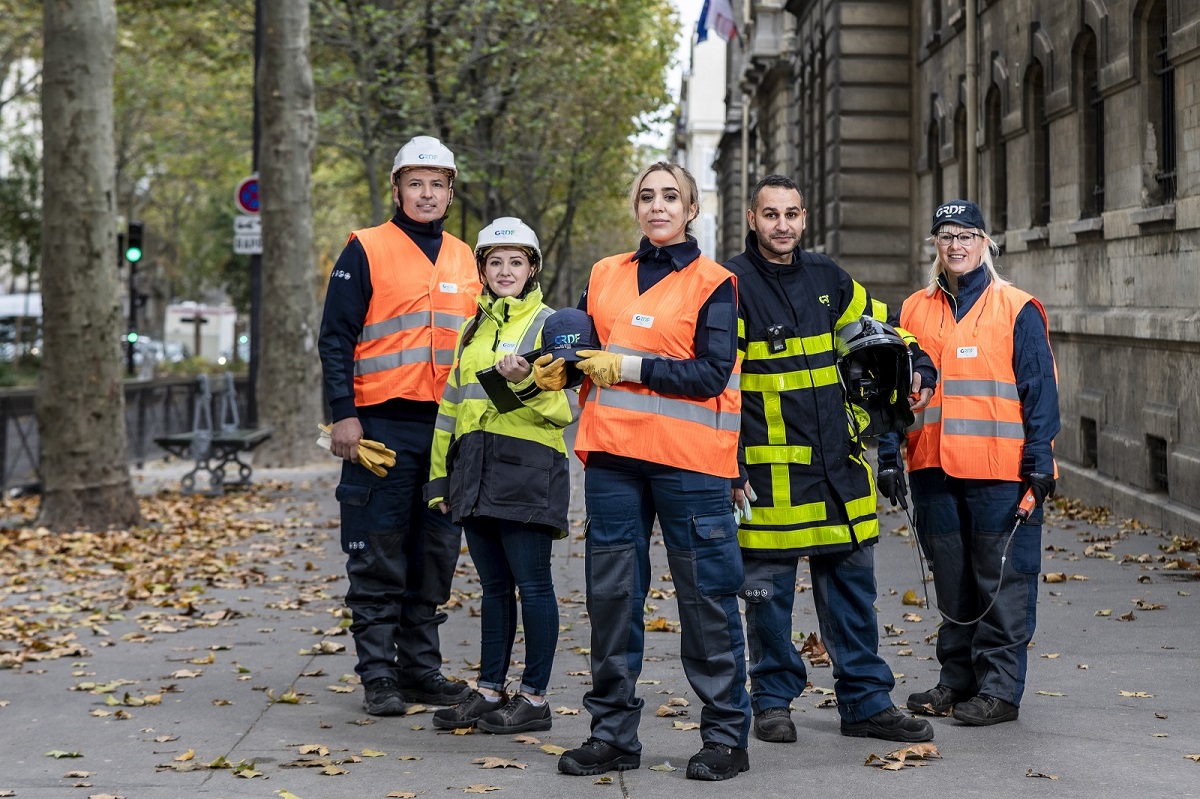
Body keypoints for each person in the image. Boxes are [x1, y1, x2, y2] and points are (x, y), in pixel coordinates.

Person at [544, 162, 752, 782]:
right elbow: (580, 351)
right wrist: (548, 369)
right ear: (635, 206)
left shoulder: (717, 282)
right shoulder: (605, 274)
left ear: (690, 209)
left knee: (706, 600)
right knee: (611, 599)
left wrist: (625, 367)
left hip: (690, 466)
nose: (657, 206)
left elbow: (711, 374)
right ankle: (611, 734)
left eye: (670, 197)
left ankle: (724, 738)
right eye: (646, 196)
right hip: (612, 461)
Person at [724, 174, 937, 746]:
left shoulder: (827, 277)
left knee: (852, 597)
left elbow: (880, 330)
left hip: (839, 471)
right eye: (771, 215)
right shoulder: (731, 285)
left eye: (792, 213)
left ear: (803, 216)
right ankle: (771, 701)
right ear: (752, 218)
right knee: (766, 601)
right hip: (768, 479)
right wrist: (729, 464)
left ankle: (866, 703)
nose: (783, 225)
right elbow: (720, 387)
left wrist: (917, 366)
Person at [877, 199, 1060, 726]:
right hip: (932, 467)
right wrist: (890, 456)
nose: (955, 245)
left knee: (1001, 583)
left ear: (985, 243)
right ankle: (957, 681)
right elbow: (892, 395)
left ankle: (1000, 690)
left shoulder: (1017, 307)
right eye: (945, 235)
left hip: (1001, 472)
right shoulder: (912, 309)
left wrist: (1041, 461)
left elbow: (1039, 390)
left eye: (966, 235)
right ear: (935, 245)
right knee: (953, 580)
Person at [318, 135, 480, 716]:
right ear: (397, 188)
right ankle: (379, 676)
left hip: (447, 432)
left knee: (435, 554)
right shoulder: (365, 249)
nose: (427, 193)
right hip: (380, 427)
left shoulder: (468, 259)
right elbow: (335, 338)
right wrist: (343, 413)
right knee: (378, 552)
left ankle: (420, 669)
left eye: (437, 183)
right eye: (416, 182)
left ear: (451, 191)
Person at [423, 218, 573, 735]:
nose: (505, 270)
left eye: (516, 261)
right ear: (482, 269)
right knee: (492, 588)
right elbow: (450, 407)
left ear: (532, 268)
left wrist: (526, 380)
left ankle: (534, 698)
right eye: (495, 261)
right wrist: (439, 479)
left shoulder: (551, 325)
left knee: (532, 586)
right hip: (474, 470)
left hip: (529, 469)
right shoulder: (473, 328)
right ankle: (489, 691)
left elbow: (564, 408)